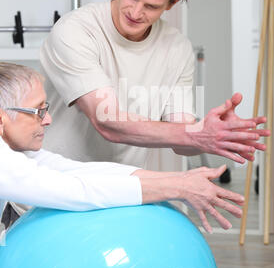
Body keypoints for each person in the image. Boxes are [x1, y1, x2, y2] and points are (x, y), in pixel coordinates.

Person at [40, 0, 269, 168]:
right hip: (52, 185)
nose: (136, 12)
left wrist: (212, 134)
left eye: (151, 6)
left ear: (172, 2)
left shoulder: (177, 49)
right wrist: (195, 133)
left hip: (117, 190)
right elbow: (106, 121)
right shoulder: (75, 30)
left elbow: (182, 143)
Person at [0, 62, 244, 234]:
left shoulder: (15, 152)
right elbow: (75, 191)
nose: (48, 119)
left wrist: (182, 180)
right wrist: (178, 187)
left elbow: (76, 171)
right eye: (38, 111)